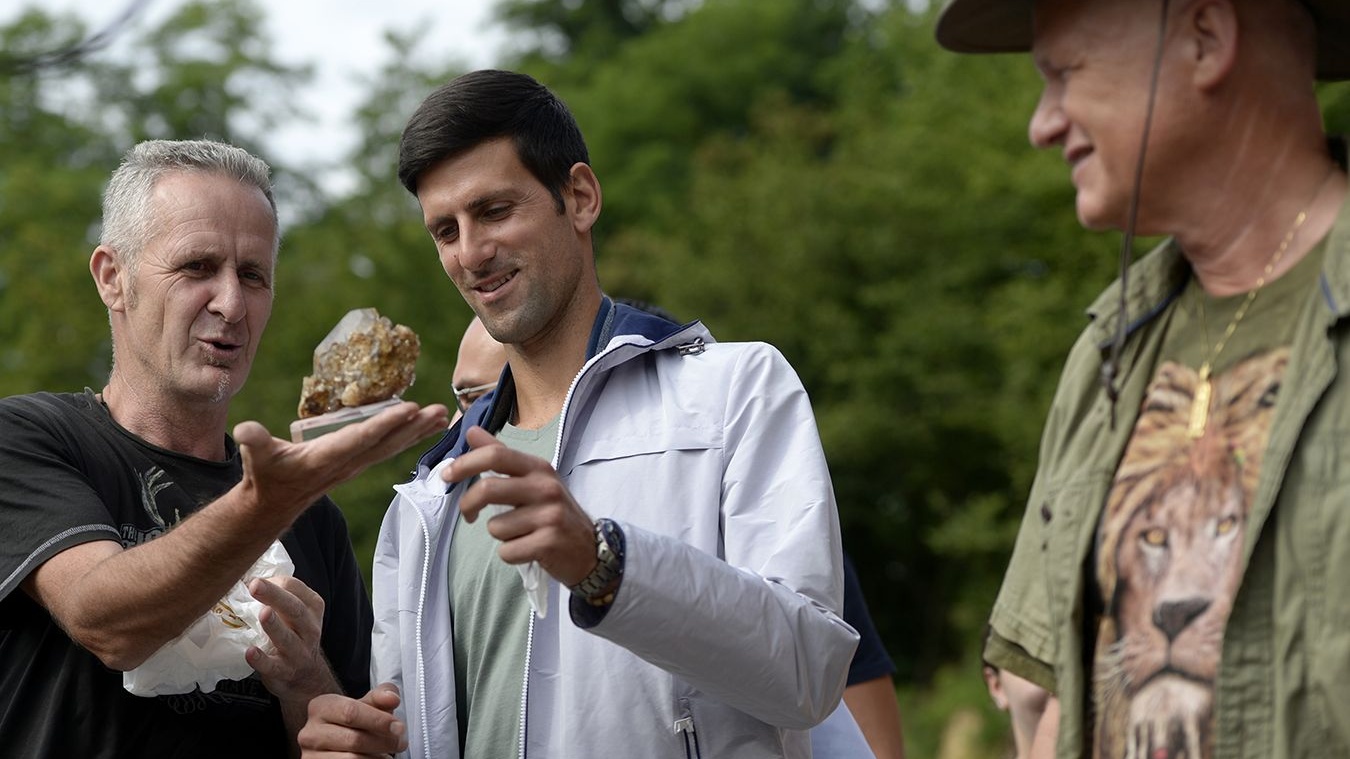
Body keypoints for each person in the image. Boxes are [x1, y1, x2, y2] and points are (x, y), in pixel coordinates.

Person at [299, 69, 859, 758]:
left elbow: (811, 671)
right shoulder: (425, 502)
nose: (471, 253)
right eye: (446, 229)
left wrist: (606, 565)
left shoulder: (736, 390)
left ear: (581, 198)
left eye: (495, 210)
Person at [935, 0, 1350, 757]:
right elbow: (1045, 701)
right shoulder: (1105, 357)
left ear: (1206, 38)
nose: (1042, 123)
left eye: (1063, 75)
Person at [0, 139, 449, 757]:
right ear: (113, 278)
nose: (231, 303)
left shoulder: (311, 516)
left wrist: (306, 686)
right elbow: (104, 623)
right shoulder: (29, 439)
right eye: (196, 268)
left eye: (253, 275)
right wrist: (268, 504)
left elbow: (344, 730)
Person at [452, 305, 904, 759]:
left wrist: (607, 565)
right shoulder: (431, 505)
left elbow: (831, 689)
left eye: (481, 395)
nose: (477, 417)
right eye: (464, 399)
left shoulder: (733, 454)